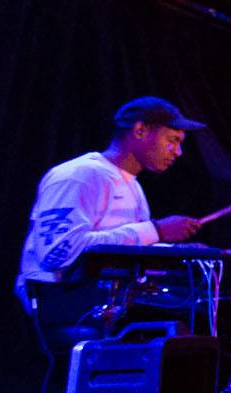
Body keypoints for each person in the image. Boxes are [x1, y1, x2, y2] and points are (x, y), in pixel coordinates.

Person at [17, 97, 206, 340]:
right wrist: (155, 230)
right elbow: (57, 253)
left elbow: (127, 252)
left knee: (196, 308)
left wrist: (178, 252)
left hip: (104, 299)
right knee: (179, 323)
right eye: (173, 141)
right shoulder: (79, 176)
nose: (178, 152)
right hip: (61, 300)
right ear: (140, 130)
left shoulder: (134, 188)